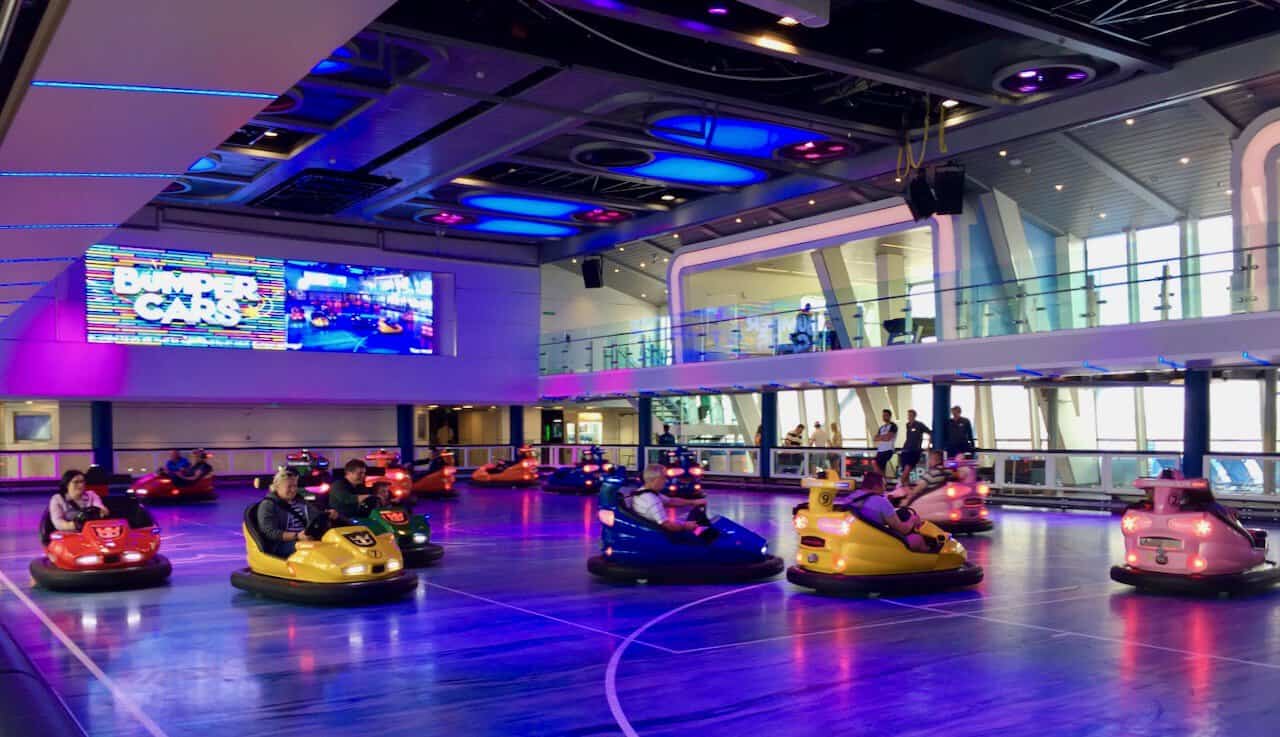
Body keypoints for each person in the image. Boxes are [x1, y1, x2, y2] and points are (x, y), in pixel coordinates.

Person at [840, 469, 939, 553]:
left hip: (856, 540)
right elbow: (902, 529)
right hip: (877, 545)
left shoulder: (850, 498)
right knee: (918, 539)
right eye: (884, 485)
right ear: (876, 487)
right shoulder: (881, 502)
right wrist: (912, 519)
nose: (885, 489)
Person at [256, 468, 337, 558]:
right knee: (316, 551)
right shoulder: (268, 505)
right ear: (277, 487)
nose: (293, 490)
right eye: (289, 487)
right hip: (282, 544)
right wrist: (297, 536)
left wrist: (328, 515)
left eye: (295, 486)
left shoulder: (300, 501)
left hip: (306, 539)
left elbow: (315, 515)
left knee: (335, 544)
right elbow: (270, 532)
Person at [628, 464, 708, 534]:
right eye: (664, 478)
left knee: (696, 515)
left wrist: (694, 502)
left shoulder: (643, 492)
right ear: (656, 479)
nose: (665, 481)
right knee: (701, 530)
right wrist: (686, 526)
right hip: (663, 535)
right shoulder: (652, 500)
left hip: (655, 528)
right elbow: (667, 526)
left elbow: (671, 501)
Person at [898, 409, 931, 488]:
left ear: (914, 416)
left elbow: (930, 432)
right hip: (906, 449)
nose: (909, 417)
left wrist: (928, 445)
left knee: (908, 468)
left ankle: (899, 484)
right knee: (905, 470)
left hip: (915, 450)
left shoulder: (919, 425)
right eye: (908, 415)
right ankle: (906, 488)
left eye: (911, 415)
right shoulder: (908, 425)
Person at [874, 409, 898, 476]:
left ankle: (882, 480)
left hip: (888, 450)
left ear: (889, 416)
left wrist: (880, 437)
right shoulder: (881, 427)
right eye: (883, 415)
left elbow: (888, 438)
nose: (884, 417)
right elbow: (875, 438)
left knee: (880, 467)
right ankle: (882, 480)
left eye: (886, 415)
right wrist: (884, 437)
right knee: (876, 465)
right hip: (880, 450)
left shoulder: (893, 426)